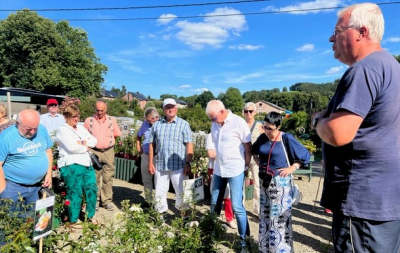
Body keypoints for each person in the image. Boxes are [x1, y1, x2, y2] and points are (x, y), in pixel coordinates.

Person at [312, 3, 400, 252]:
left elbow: (338, 133)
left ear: (361, 32)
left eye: (337, 31)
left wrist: (319, 122)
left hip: (361, 203)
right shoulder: (392, 67)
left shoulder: (364, 69)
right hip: (387, 201)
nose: (331, 38)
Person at [252, 112, 310, 252]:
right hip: (264, 182)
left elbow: (305, 155)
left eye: (270, 128)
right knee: (265, 215)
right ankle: (266, 248)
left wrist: (292, 167)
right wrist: (259, 163)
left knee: (279, 217)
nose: (267, 131)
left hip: (280, 183)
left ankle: (280, 249)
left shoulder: (286, 138)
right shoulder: (262, 137)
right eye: (265, 127)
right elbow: (254, 151)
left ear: (278, 126)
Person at [205, 100, 251, 250]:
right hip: (219, 169)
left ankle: (244, 239)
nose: (212, 121)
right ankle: (212, 232)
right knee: (214, 203)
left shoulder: (239, 122)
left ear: (222, 112)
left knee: (237, 205)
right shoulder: (215, 124)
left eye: (213, 117)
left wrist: (246, 166)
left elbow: (247, 146)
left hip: (236, 169)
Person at [0, 109, 53, 217]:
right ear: (17, 123)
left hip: (37, 186)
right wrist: (2, 190)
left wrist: (49, 174)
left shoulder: (42, 130)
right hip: (12, 186)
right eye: (28, 129)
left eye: (35, 128)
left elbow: (48, 151)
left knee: (33, 221)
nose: (33, 132)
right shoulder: (6, 137)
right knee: (9, 221)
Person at [148, 98, 193, 214]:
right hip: (160, 164)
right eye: (168, 107)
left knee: (182, 192)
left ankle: (185, 218)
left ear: (176, 108)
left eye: (172, 107)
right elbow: (151, 144)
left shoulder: (183, 124)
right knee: (159, 192)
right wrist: (150, 163)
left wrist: (188, 163)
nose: (170, 109)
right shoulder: (156, 125)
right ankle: (160, 218)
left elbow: (189, 144)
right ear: (163, 109)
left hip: (179, 166)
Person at [57, 104, 98, 224]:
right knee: (75, 192)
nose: (77, 119)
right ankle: (73, 219)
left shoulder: (80, 128)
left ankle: (90, 215)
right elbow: (72, 148)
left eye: (78, 116)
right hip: (71, 164)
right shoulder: (63, 129)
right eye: (74, 117)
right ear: (66, 117)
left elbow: (94, 140)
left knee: (92, 188)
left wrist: (82, 142)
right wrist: (86, 145)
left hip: (87, 163)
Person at [84, 100, 121, 211]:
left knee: (108, 177)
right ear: (95, 109)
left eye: (102, 110)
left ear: (106, 109)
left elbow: (116, 134)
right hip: (94, 151)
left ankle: (106, 201)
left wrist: (108, 143)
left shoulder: (111, 120)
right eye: (97, 110)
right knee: (94, 177)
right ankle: (94, 201)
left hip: (108, 151)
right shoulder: (89, 120)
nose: (100, 112)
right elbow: (84, 136)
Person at [206, 133, 237, 229]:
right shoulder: (211, 135)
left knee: (228, 194)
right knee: (216, 194)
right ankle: (214, 217)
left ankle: (229, 218)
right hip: (215, 168)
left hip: (228, 167)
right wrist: (227, 154)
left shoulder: (229, 134)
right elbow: (211, 153)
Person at [136, 107, 159, 208]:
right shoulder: (145, 123)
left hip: (157, 155)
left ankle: (158, 202)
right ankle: (148, 200)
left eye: (151, 120)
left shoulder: (162, 124)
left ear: (156, 117)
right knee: (146, 179)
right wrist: (138, 146)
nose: (149, 122)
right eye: (148, 120)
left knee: (159, 179)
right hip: (145, 154)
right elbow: (138, 135)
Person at [243, 102, 263, 214]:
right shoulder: (240, 125)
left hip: (255, 159)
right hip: (242, 158)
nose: (248, 113)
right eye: (246, 111)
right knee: (240, 184)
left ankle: (257, 210)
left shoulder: (260, 126)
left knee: (257, 185)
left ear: (254, 112)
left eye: (250, 111)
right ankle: (240, 209)